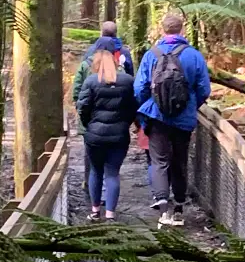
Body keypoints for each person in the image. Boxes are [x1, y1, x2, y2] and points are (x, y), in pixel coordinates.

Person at [134, 13, 211, 228]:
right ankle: (178, 210)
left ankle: (163, 211)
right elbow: (204, 89)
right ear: (182, 30)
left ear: (162, 30)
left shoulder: (151, 55)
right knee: (179, 161)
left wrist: (146, 109)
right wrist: (190, 107)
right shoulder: (194, 56)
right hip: (183, 119)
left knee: (159, 161)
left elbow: (139, 87)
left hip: (157, 117)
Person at [76, 47, 137, 221]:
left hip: (95, 135)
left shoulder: (91, 81)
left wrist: (90, 124)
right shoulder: (128, 81)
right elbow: (134, 105)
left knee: (95, 171)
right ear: (116, 62)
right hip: (119, 135)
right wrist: (126, 123)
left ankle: (95, 211)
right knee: (112, 173)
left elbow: (83, 107)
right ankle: (110, 213)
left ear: (96, 64)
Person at [72, 25, 132, 191]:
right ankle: (108, 203)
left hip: (92, 122)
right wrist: (125, 120)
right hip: (117, 124)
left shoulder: (86, 63)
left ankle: (92, 193)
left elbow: (77, 92)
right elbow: (131, 94)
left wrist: (84, 116)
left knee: (92, 161)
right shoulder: (123, 58)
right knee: (111, 169)